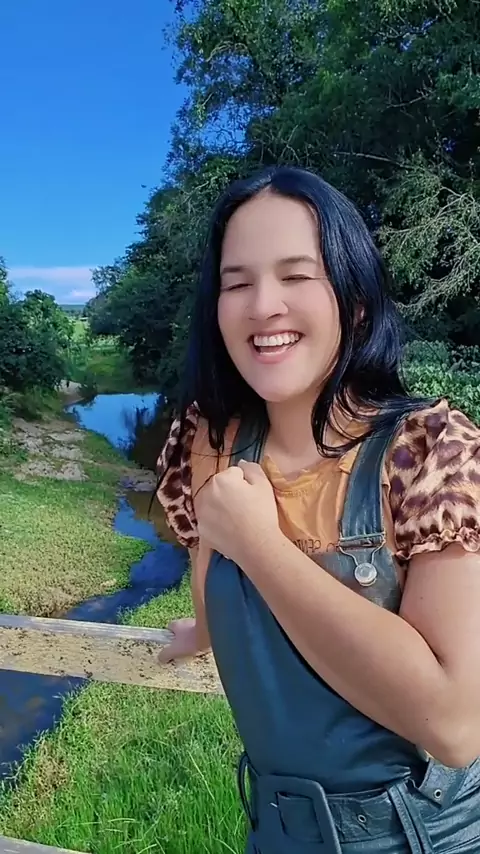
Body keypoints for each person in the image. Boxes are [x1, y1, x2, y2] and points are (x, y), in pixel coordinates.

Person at [155, 165, 480, 854]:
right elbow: (216, 583)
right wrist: (204, 631)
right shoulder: (209, 441)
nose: (263, 305)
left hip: (423, 834)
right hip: (277, 828)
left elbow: (454, 724)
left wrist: (261, 547)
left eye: (296, 275)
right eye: (237, 283)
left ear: (354, 301)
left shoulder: (430, 451)